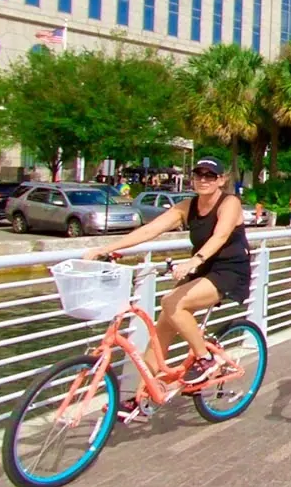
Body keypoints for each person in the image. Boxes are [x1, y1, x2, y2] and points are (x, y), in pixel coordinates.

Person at [84, 156, 250, 389]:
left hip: (230, 269)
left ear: (220, 180)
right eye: (198, 175)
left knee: (171, 302)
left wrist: (194, 260)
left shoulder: (229, 202)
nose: (203, 180)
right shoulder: (186, 207)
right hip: (203, 268)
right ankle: (143, 395)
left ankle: (206, 359)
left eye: (210, 176)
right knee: (162, 327)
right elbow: (149, 230)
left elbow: (220, 235)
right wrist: (105, 249)